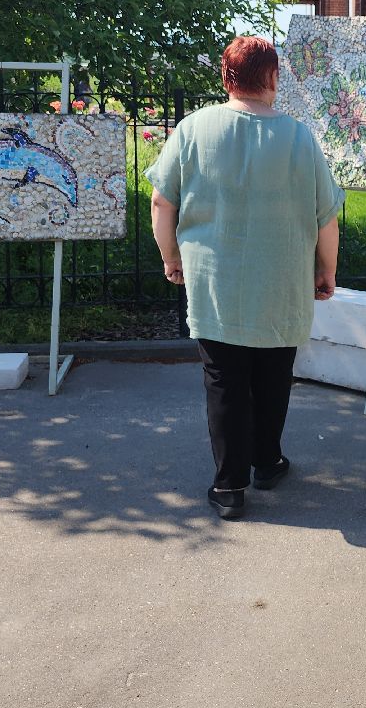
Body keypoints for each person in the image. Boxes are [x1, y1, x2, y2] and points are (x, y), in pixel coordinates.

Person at [146, 36, 344, 520]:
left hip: (215, 283)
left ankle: (229, 486)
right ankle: (268, 461)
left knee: (224, 381)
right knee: (274, 377)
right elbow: (326, 218)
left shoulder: (193, 129)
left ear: (225, 76)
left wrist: (172, 256)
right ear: (274, 78)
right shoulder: (299, 137)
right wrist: (326, 269)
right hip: (281, 280)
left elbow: (161, 201)